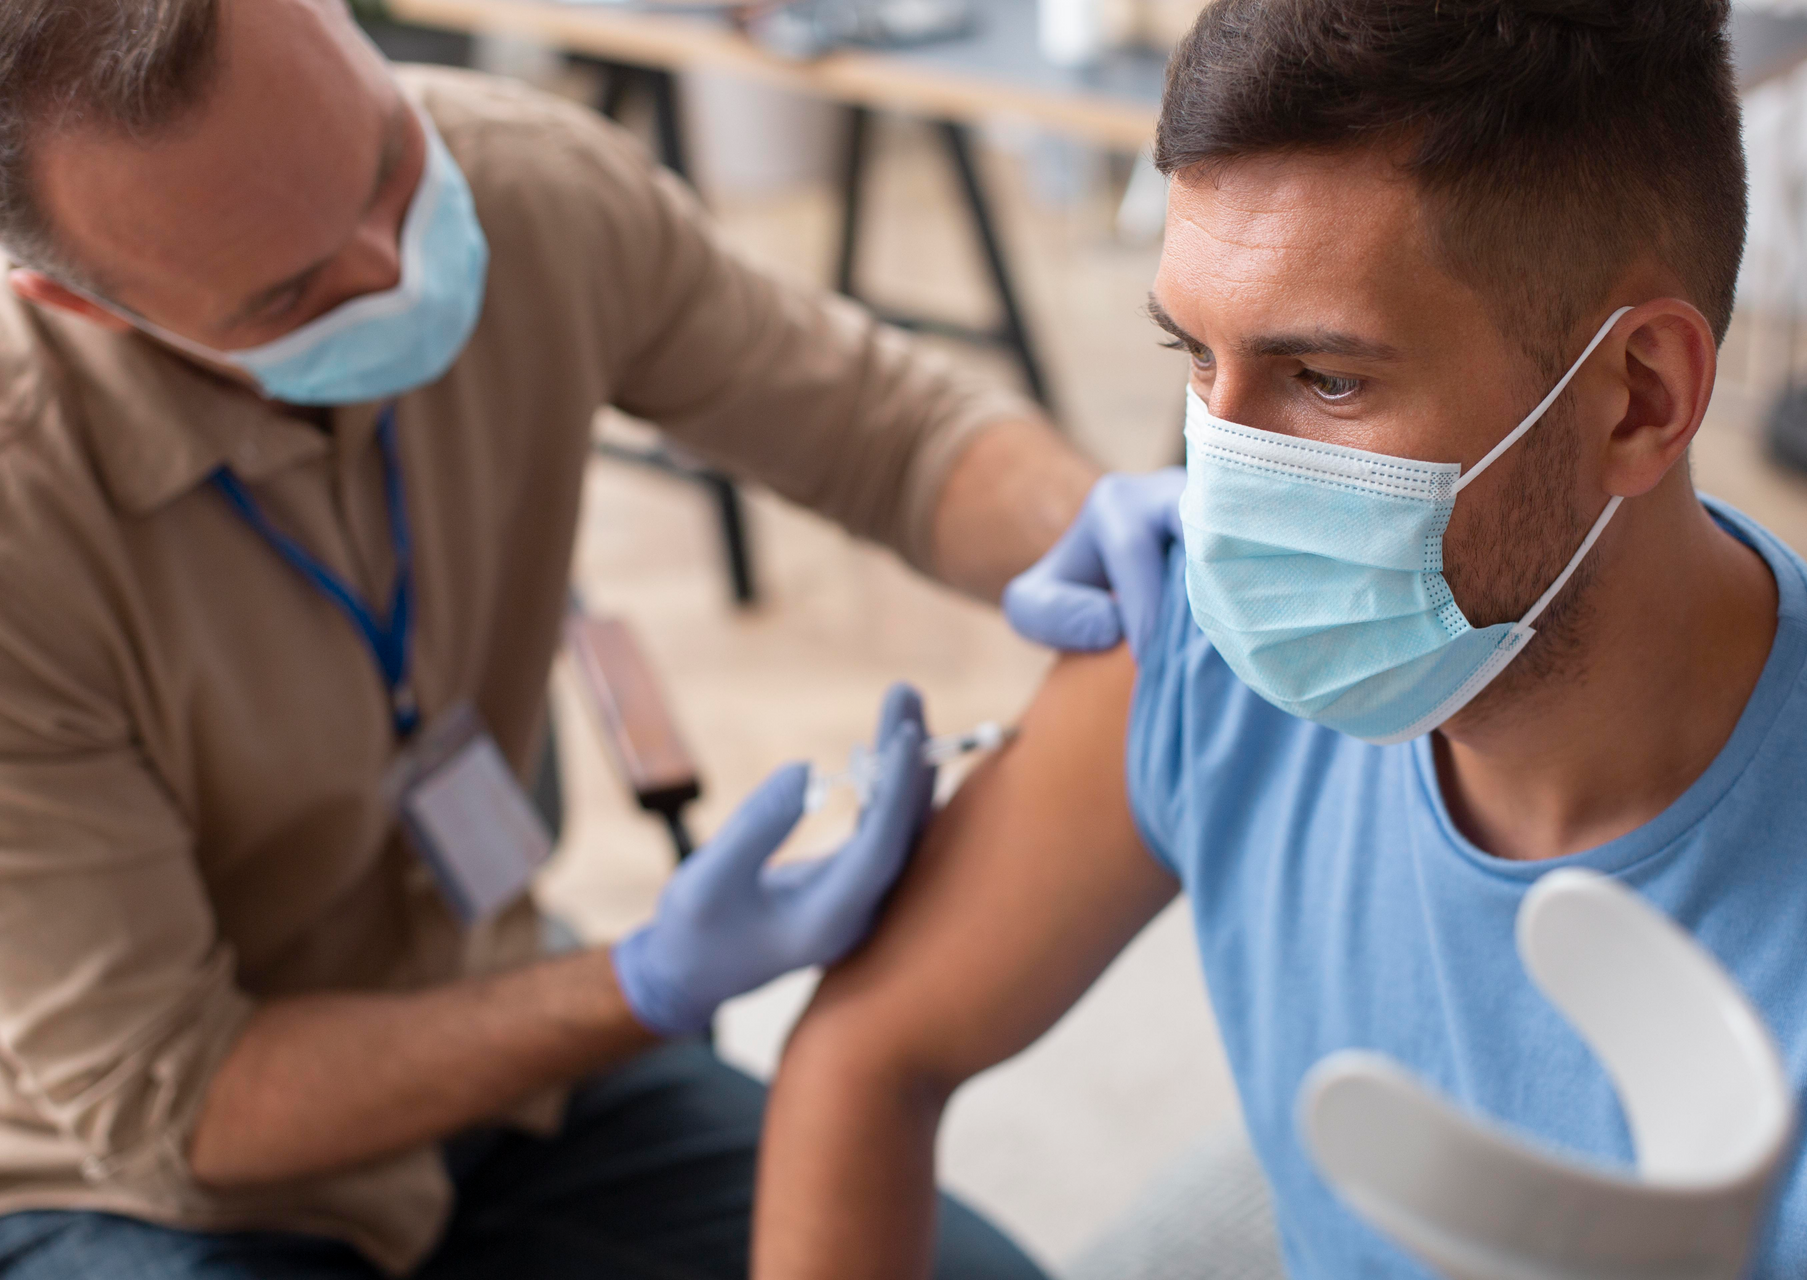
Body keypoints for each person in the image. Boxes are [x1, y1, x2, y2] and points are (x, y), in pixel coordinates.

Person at [0, 0, 1178, 1276]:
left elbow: (892, 432)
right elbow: (175, 1096)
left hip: (500, 1057)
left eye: (387, 165)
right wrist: (648, 981)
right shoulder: (24, 527)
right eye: (292, 293)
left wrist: (1111, 536)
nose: (394, 263)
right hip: (144, 1185)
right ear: (80, 304)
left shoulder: (522, 186)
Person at [754, 1, 1807, 1276]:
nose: (1223, 492)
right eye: (1196, 359)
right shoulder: (1207, 641)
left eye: (1328, 380)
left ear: (1638, 397)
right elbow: (869, 1049)